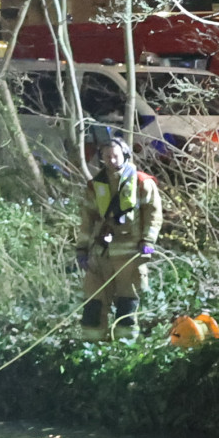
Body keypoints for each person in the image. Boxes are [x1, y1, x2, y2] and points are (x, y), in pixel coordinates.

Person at [75, 127, 162, 342]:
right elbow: (87, 221)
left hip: (130, 254)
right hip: (100, 254)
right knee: (94, 300)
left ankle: (125, 345)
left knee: (127, 302)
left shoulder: (142, 183)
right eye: (107, 156)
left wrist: (148, 243)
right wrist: (82, 249)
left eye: (115, 155)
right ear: (101, 159)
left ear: (125, 155)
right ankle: (91, 346)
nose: (111, 160)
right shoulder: (95, 186)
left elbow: (154, 215)